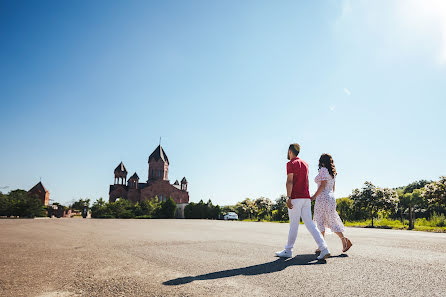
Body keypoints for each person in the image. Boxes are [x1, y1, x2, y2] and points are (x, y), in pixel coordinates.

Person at [275, 144, 330, 260]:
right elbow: (307, 182)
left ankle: (288, 250)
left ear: (290, 151)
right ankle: (324, 248)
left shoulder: (291, 163)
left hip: (296, 197)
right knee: (310, 224)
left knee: (294, 225)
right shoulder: (305, 164)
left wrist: (288, 197)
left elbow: (289, 181)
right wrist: (308, 196)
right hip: (306, 197)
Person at [311, 154, 352, 253]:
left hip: (323, 197)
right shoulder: (332, 172)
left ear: (321, 161)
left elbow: (323, 185)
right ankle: (344, 241)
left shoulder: (323, 170)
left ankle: (322, 246)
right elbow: (333, 188)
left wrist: (313, 196)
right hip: (331, 197)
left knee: (320, 221)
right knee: (331, 221)